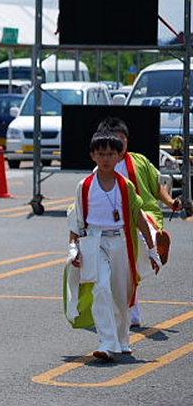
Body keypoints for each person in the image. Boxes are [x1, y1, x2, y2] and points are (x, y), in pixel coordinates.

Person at [64, 132, 161, 361]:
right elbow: (76, 220)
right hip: (95, 242)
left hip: (121, 242)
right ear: (92, 156)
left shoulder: (126, 186)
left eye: (110, 154)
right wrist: (73, 248)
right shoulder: (84, 186)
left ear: (119, 156)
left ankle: (122, 339)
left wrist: (152, 250)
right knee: (101, 289)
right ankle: (107, 342)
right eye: (101, 154)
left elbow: (139, 218)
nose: (105, 158)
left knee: (121, 295)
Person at [96, 117, 180, 327]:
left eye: (122, 139)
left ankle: (155, 242)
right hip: (111, 227)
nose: (119, 144)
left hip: (141, 217)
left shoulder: (139, 161)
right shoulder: (99, 172)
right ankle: (127, 316)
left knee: (131, 265)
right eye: (114, 141)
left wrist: (170, 202)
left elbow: (156, 184)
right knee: (124, 272)